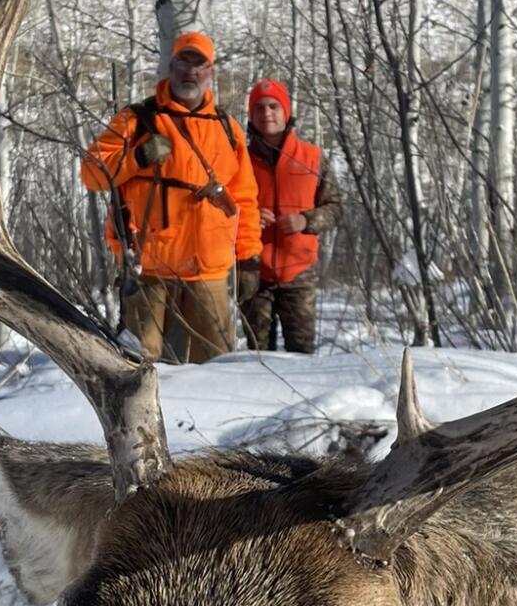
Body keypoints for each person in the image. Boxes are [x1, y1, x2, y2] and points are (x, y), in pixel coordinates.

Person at [80, 31, 260, 364]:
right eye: (183, 61)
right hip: (149, 266)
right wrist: (139, 157)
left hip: (209, 271)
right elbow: (92, 173)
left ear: (210, 71)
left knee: (218, 368)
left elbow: (245, 199)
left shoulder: (227, 128)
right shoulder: (136, 120)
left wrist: (249, 258)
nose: (190, 72)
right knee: (137, 367)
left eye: (199, 64)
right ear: (170, 65)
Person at [238, 78, 342, 355]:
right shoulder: (239, 160)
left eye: (273, 106)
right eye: (259, 108)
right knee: (257, 358)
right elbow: (223, 211)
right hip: (253, 272)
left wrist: (306, 221)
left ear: (286, 111)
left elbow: (335, 208)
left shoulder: (313, 158)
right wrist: (248, 217)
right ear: (251, 114)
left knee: (302, 357)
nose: (267, 113)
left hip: (299, 273)